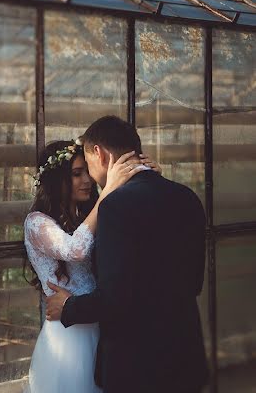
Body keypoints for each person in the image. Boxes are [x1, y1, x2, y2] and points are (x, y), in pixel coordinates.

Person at [44, 116, 208, 393]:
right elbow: (194, 281)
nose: (90, 177)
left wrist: (69, 307)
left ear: (100, 154)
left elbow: (115, 299)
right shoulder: (187, 196)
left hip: (139, 367)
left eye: (89, 166)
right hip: (186, 356)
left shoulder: (115, 206)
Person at [23, 136, 154, 392]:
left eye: (86, 172)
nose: (86, 180)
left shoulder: (87, 213)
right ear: (56, 179)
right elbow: (76, 249)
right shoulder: (36, 222)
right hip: (70, 336)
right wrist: (107, 193)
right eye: (76, 174)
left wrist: (148, 179)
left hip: (102, 324)